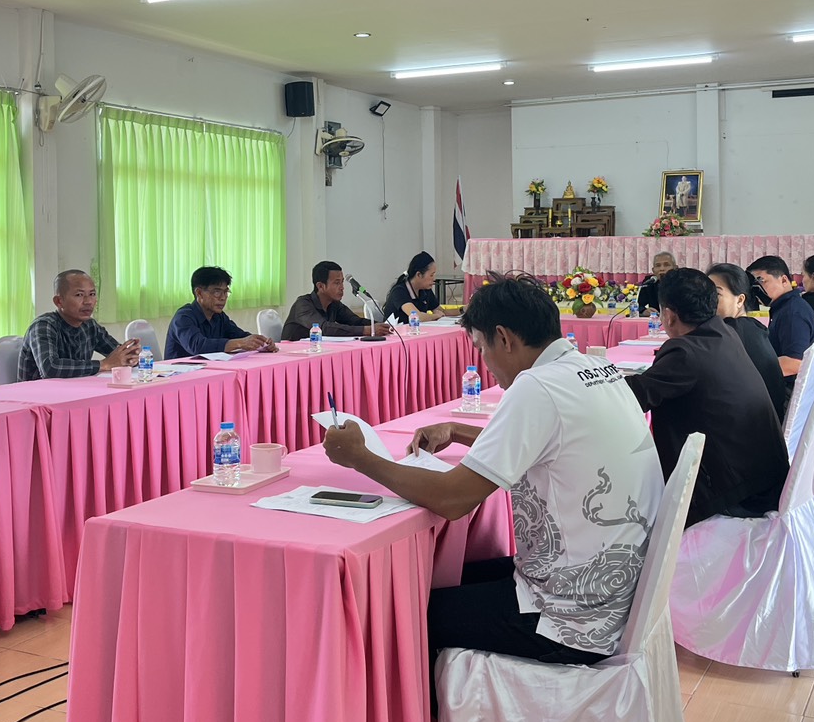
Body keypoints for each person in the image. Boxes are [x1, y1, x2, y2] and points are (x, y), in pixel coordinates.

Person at [322, 273, 663, 674]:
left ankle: (428, 715)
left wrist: (361, 458)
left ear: (503, 338)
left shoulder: (536, 386)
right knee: (441, 577)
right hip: (608, 591)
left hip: (568, 618)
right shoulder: (594, 367)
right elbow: (552, 441)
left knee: (403, 612)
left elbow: (452, 499)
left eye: (482, 348)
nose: (485, 363)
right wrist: (458, 430)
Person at [626, 268, 790, 526]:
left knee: (633, 495)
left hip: (736, 495)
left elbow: (631, 398)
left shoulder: (685, 352)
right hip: (763, 479)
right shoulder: (725, 334)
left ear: (668, 315)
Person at [19, 269, 140, 380]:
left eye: (92, 294)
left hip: (74, 391)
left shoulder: (90, 326)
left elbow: (116, 355)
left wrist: (130, 356)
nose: (88, 302)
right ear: (59, 301)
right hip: (38, 394)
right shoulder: (43, 326)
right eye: (79, 295)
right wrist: (103, 364)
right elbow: (50, 368)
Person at [706, 263, 788, 423]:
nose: (708, 301)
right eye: (706, 294)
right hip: (767, 421)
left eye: (716, 294)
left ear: (740, 300)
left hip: (752, 426)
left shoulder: (730, 334)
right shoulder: (751, 326)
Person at [164, 266, 277, 359]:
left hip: (209, 371)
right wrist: (240, 343)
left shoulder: (219, 316)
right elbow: (198, 346)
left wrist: (262, 342)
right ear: (199, 293)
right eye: (217, 292)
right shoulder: (183, 317)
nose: (223, 298)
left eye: (226, 292)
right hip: (179, 374)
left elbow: (240, 335)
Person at [748, 255, 814, 377]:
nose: (757, 289)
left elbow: (794, 363)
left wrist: (748, 371)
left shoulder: (792, 312)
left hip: (789, 386)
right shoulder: (788, 306)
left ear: (784, 280)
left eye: (761, 281)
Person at [281, 261, 393, 340]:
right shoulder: (303, 305)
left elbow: (355, 321)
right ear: (320, 286)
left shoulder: (334, 304)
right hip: (293, 355)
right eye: (337, 283)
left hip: (318, 351)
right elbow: (324, 328)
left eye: (342, 282)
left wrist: (382, 326)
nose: (342, 287)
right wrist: (367, 330)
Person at [381, 251, 447, 322]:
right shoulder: (399, 291)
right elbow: (417, 317)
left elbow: (441, 311)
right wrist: (436, 316)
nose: (434, 279)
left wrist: (458, 311)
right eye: (431, 275)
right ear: (419, 275)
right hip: (397, 328)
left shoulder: (425, 290)